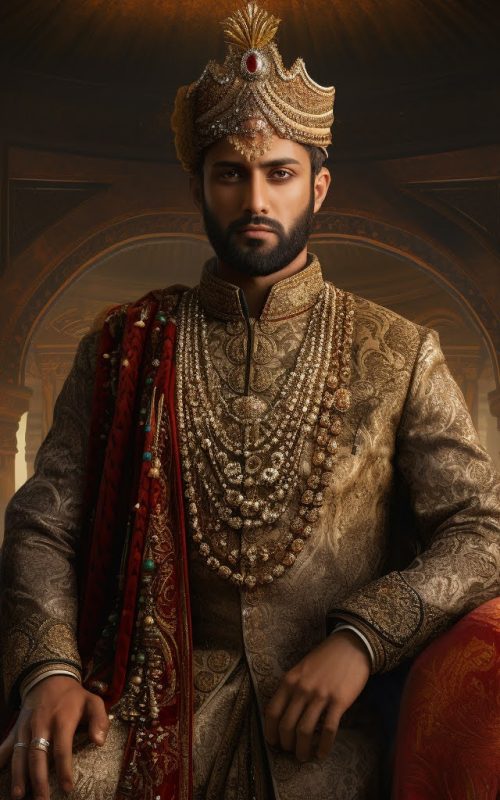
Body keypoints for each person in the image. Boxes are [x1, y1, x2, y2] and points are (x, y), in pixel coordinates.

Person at [0, 3, 499, 799]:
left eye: (280, 174)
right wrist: (49, 671)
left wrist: (363, 640)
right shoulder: (123, 344)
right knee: (47, 778)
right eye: (231, 173)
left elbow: (482, 530)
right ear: (199, 186)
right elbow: (42, 524)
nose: (255, 198)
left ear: (318, 187)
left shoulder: (400, 351)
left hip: (331, 712)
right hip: (146, 696)